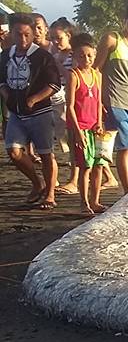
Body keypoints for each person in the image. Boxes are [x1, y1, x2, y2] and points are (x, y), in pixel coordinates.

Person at [0, 13, 61, 209]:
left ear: (33, 33)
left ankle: (50, 194)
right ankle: (37, 183)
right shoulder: (5, 55)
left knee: (45, 154)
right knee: (13, 151)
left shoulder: (42, 56)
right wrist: (5, 93)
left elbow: (54, 84)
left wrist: (35, 98)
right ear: (12, 34)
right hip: (16, 113)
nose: (23, 39)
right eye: (19, 34)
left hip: (40, 113)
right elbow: (1, 79)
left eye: (27, 34)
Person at [94, 3, 128, 194]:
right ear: (125, 22)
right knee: (123, 149)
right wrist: (98, 100)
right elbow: (96, 70)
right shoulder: (112, 40)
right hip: (114, 101)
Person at [65, 32, 106, 214]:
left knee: (99, 164)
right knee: (85, 166)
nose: (86, 59)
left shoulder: (97, 75)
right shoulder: (74, 75)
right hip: (80, 127)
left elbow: (98, 102)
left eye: (89, 55)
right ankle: (84, 203)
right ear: (74, 56)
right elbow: (70, 106)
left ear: (95, 54)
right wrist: (78, 131)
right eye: (81, 55)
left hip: (95, 127)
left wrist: (99, 122)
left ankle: (95, 201)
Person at [49, 17, 80, 193]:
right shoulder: (55, 55)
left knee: (74, 140)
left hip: (72, 102)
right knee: (64, 139)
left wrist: (58, 65)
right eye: (52, 38)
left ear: (68, 35)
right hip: (56, 101)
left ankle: (74, 181)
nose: (55, 42)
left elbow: (71, 78)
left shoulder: (74, 55)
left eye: (58, 38)